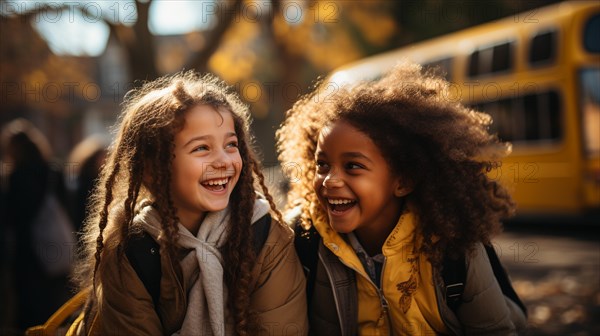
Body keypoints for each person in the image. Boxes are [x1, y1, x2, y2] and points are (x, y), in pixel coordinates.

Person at [276, 62, 527, 335]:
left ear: (403, 181)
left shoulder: (452, 244)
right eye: (322, 165)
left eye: (353, 166)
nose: (330, 180)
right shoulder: (303, 239)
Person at [71, 71, 308, 335]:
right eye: (201, 148)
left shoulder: (267, 236)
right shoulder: (130, 251)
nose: (224, 161)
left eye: (231, 145)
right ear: (152, 170)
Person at [1, 118, 72, 332]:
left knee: (29, 311)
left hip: (27, 255)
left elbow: (12, 219)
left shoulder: (15, 177)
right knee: (56, 306)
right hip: (56, 249)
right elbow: (67, 208)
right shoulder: (54, 172)